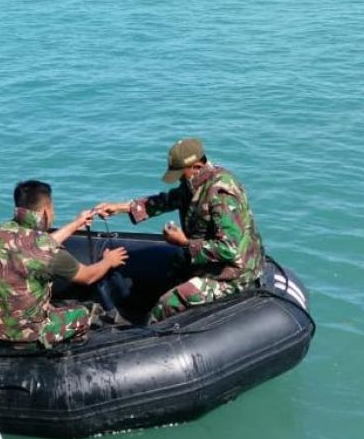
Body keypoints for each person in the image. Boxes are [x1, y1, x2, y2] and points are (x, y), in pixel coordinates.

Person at [97, 137, 264, 321]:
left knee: (169, 302)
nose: (178, 180)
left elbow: (230, 249)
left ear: (197, 167)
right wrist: (121, 208)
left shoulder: (221, 194)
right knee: (165, 275)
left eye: (180, 173)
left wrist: (184, 242)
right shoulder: (194, 183)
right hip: (208, 261)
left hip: (232, 273)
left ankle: (144, 334)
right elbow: (167, 200)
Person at [0, 180, 128, 348]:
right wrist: (109, 261)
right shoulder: (49, 251)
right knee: (82, 314)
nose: (54, 214)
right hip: (23, 337)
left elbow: (32, 246)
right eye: (52, 209)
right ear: (45, 211)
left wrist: (77, 223)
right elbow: (88, 276)